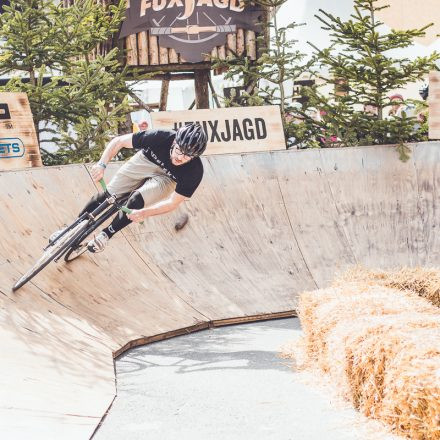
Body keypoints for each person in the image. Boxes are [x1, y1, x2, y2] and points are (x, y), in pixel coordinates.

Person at [54, 123, 208, 253]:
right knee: (108, 194)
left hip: (167, 179)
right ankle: (70, 230)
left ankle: (106, 234)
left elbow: (173, 203)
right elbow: (119, 141)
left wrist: (144, 213)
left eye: (188, 156)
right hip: (146, 161)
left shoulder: (195, 171)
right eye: (179, 150)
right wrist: (101, 164)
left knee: (137, 200)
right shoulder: (161, 136)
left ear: (195, 156)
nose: (180, 158)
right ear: (175, 142)